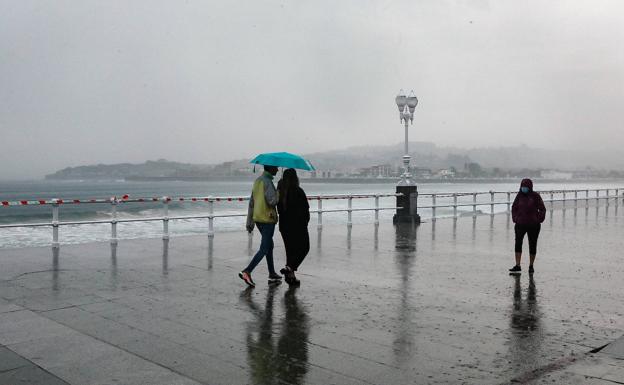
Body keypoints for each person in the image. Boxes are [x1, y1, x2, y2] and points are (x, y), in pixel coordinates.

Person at [239, 165, 282, 287]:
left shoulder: (257, 181)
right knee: (264, 248)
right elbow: (272, 201)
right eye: (276, 168)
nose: (278, 170)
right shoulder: (267, 182)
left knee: (270, 245)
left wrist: (250, 222)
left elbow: (252, 203)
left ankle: (272, 273)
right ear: (271, 168)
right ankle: (247, 271)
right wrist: (279, 192)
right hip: (267, 219)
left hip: (258, 218)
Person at [276, 168, 310, 286]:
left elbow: (279, 209)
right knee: (305, 248)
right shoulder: (298, 191)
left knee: (290, 251)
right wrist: (305, 222)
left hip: (284, 225)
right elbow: (306, 209)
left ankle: (291, 277)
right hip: (298, 225)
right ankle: (290, 268)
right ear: (295, 178)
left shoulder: (280, 192)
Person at [510, 178, 546, 275]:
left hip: (533, 225)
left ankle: (531, 265)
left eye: (525, 187)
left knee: (532, 244)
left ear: (530, 187)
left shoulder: (535, 196)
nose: (524, 188)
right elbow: (514, 207)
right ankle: (517, 265)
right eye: (522, 186)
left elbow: (542, 209)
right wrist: (515, 218)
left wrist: (538, 219)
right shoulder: (519, 196)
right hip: (520, 224)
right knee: (518, 243)